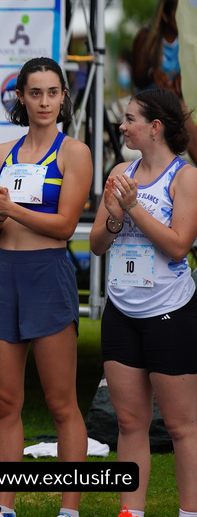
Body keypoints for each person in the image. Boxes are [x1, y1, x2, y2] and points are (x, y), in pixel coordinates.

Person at [0, 57, 92, 517]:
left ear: (64, 96)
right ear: (20, 97)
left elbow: (64, 227)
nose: (44, 101)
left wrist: (12, 208)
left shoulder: (73, 152)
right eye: (35, 93)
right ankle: (4, 507)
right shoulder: (0, 153)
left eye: (52, 92)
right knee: (5, 402)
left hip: (47, 273)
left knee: (62, 403)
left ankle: (70, 508)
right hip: (3, 273)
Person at [88, 88, 197, 517]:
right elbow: (97, 244)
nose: (122, 125)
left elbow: (178, 246)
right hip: (122, 312)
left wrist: (134, 208)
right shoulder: (120, 170)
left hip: (170, 313)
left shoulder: (185, 177)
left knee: (181, 426)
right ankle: (130, 512)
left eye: (130, 118)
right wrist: (115, 215)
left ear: (155, 127)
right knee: (129, 423)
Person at [132, 0, 197, 162]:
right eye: (178, 14)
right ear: (165, 16)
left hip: (176, 97)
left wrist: (185, 77)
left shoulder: (188, 39)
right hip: (151, 97)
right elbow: (137, 78)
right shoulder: (146, 37)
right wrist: (153, 73)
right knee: (182, 113)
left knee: (183, 109)